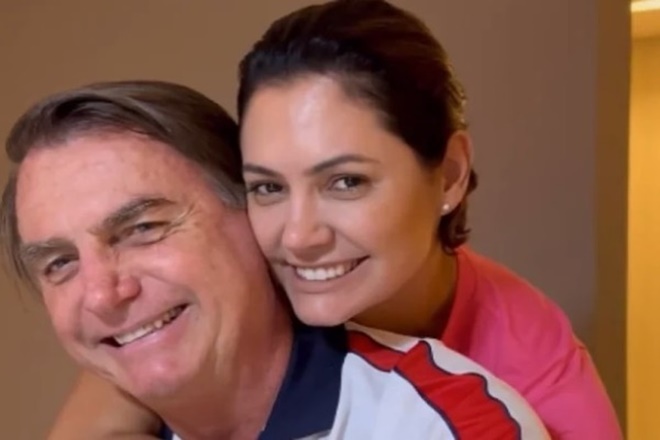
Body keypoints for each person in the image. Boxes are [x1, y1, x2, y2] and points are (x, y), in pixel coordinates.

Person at [39, 0, 621, 439]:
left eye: (346, 182)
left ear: (448, 175)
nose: (298, 237)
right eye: (268, 187)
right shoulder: (237, 280)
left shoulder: (531, 373)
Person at [0, 80, 550, 439]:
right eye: (59, 263)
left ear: (255, 217)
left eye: (143, 229)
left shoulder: (439, 423)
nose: (102, 294)